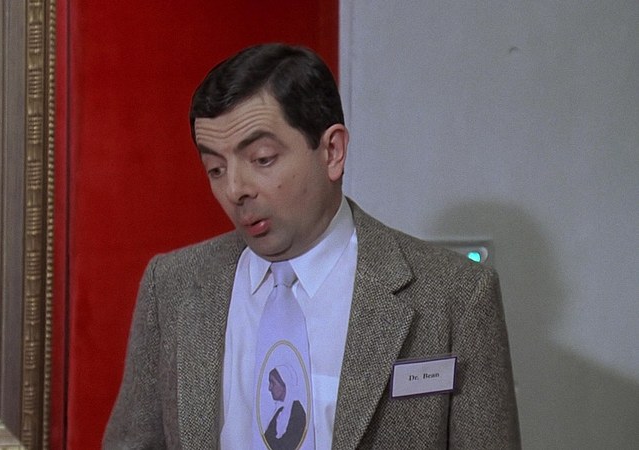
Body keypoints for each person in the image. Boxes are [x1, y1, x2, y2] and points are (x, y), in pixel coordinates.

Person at [103, 43, 520, 449]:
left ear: (332, 151)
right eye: (215, 168)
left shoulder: (454, 297)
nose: (234, 189)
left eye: (262, 159)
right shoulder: (171, 287)